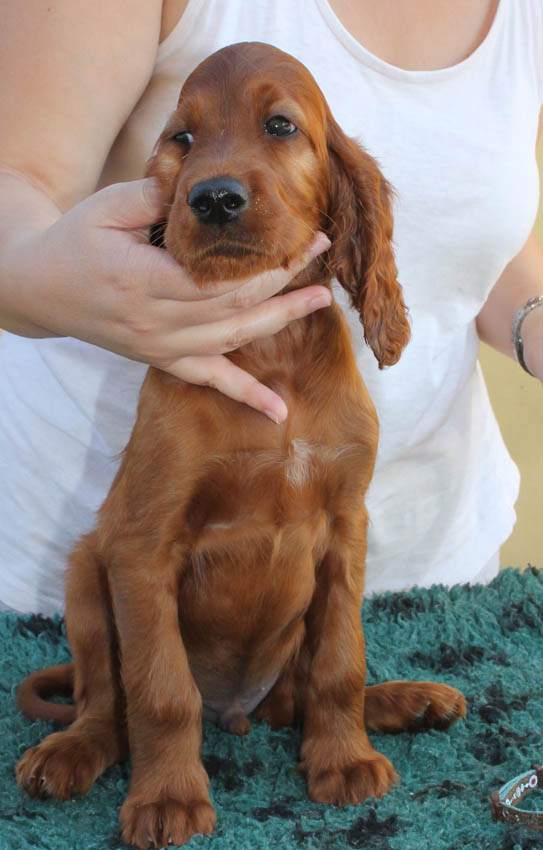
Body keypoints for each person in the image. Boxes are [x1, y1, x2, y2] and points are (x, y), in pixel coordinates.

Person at [0, 0, 541, 615]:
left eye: (280, 128)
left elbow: (478, 224)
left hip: (429, 567)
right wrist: (57, 281)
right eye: (186, 140)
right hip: (112, 593)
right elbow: (15, 185)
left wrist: (535, 319)